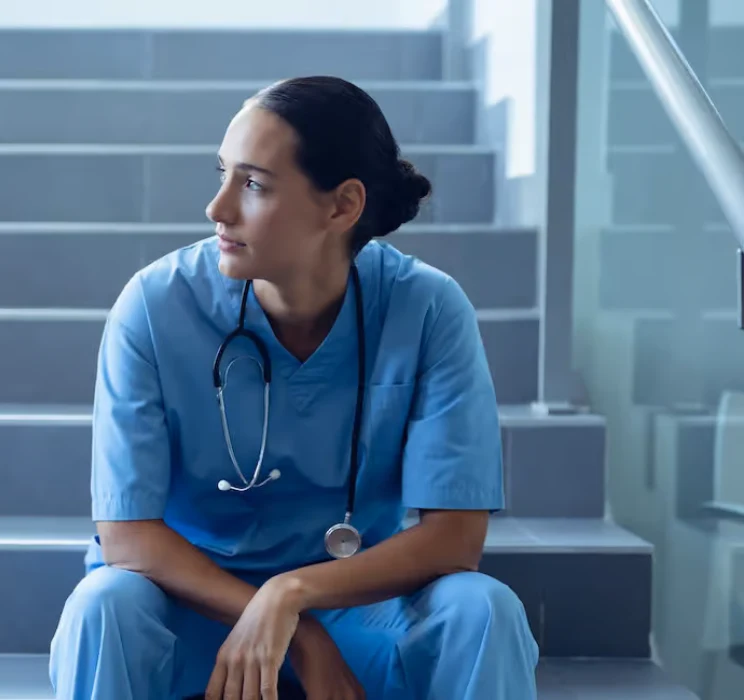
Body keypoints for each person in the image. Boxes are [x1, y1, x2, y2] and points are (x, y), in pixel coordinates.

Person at [48, 75, 540, 700]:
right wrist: (301, 638)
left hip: (353, 606)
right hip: (193, 606)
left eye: (253, 184)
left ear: (342, 206)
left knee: (484, 610)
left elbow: (455, 538)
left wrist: (292, 596)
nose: (218, 208)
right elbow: (127, 534)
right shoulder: (154, 305)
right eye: (222, 174)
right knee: (102, 604)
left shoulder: (428, 308)